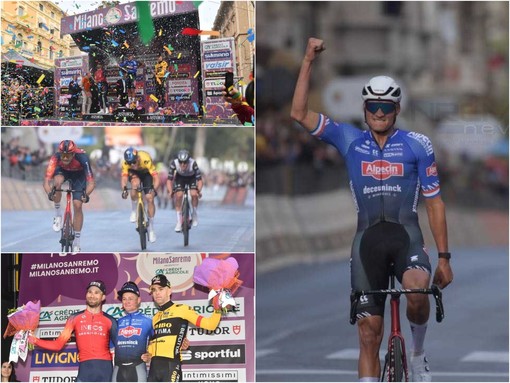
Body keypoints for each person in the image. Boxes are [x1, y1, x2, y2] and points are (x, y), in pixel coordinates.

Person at [290, 38, 453, 382]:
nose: (379, 114)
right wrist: (307, 60)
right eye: (373, 107)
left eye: (386, 107)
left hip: (405, 236)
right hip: (367, 243)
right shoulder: (349, 139)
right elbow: (299, 114)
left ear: (397, 109)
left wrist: (444, 257)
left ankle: (419, 353)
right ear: (364, 109)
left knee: (417, 292)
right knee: (368, 334)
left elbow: (435, 202)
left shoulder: (417, 144)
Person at [28, 280, 118, 382]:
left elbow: (120, 347)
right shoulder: (74, 318)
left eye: (97, 292)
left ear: (103, 297)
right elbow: (58, 345)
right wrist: (35, 340)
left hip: (105, 370)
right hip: (85, 369)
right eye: (90, 292)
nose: (92, 295)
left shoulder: (110, 321)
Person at [146, 274, 221, 382]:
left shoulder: (182, 309)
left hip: (171, 366)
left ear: (169, 291)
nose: (157, 292)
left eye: (161, 289)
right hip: (153, 368)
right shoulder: (155, 317)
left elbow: (210, 325)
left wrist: (218, 308)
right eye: (154, 290)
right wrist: (148, 354)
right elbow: (153, 345)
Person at [43, 140, 95, 253]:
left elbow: (91, 183)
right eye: (63, 155)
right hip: (62, 172)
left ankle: (77, 241)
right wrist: (49, 193)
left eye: (68, 155)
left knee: (77, 205)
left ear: (73, 154)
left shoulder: (83, 158)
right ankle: (57, 215)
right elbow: (46, 182)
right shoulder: (55, 157)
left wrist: (86, 195)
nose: (65, 158)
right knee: (57, 183)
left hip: (79, 175)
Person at [113, 282, 153, 382]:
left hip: (138, 368)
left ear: (138, 300)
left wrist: (151, 354)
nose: (127, 302)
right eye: (124, 299)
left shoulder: (148, 321)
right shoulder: (116, 323)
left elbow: (159, 342)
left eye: (130, 298)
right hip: (118, 369)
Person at [121, 147, 159, 242]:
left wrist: (154, 189)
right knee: (135, 184)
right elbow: (124, 179)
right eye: (130, 163)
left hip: (146, 174)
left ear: (138, 158)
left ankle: (151, 228)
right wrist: (124, 189)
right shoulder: (126, 164)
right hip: (134, 174)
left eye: (134, 162)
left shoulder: (146, 159)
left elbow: (156, 178)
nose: (132, 164)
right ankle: (134, 210)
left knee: (149, 198)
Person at [166, 149, 203, 232]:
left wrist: (199, 191)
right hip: (180, 178)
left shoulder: (193, 163)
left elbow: (200, 180)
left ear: (188, 161)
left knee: (193, 194)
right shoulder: (174, 163)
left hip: (191, 178)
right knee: (179, 195)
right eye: (181, 162)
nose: (182, 165)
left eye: (185, 162)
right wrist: (170, 191)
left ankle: (194, 213)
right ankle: (179, 221)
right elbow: (169, 180)